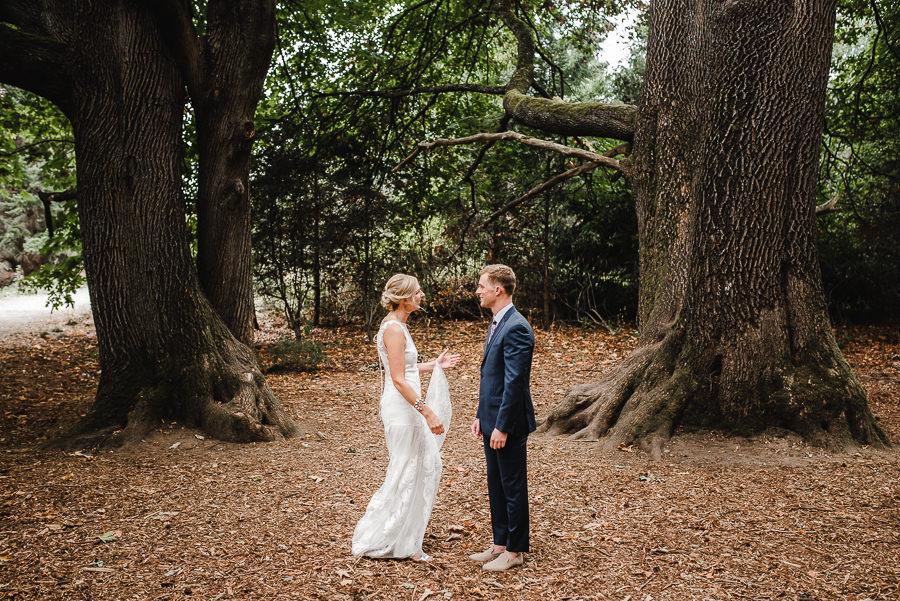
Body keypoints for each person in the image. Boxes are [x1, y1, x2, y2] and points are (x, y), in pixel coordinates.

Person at [352, 274, 460, 562]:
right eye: (417, 292)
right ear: (403, 298)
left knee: (422, 465)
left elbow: (405, 368)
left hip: (407, 405)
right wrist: (427, 411)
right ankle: (388, 537)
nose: (421, 295)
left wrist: (434, 364)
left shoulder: (398, 326)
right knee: (405, 469)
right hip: (402, 409)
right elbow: (398, 379)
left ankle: (408, 538)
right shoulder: (393, 329)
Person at [470, 264, 536, 571]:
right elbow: (492, 377)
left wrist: (502, 426)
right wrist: (481, 416)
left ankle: (515, 551)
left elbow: (515, 383)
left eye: (482, 286)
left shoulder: (517, 327)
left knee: (512, 486)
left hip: (507, 424)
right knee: (496, 484)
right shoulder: (498, 322)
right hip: (491, 420)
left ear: (498, 289)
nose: (478, 291)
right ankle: (499, 544)